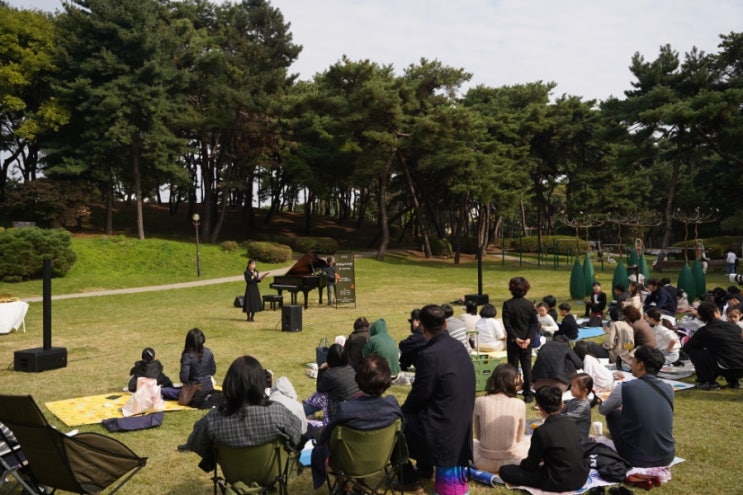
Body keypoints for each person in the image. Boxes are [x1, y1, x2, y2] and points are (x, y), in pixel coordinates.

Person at [399, 304, 475, 495]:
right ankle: (424, 467)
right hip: (462, 417)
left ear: (422, 327)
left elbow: (419, 395)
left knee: (394, 425)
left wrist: (400, 412)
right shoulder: (458, 346)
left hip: (444, 424)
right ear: (445, 323)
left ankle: (409, 478)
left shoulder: (429, 354)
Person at [185, 355, 302, 472]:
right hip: (271, 472)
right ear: (261, 383)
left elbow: (195, 444)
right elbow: (297, 437)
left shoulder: (213, 419)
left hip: (233, 473)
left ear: (229, 383)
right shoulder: (278, 413)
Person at [310, 354, 403, 489]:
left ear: (358, 378)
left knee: (322, 447)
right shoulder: (392, 406)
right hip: (380, 459)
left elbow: (326, 437)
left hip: (347, 463)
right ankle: (357, 484)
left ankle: (344, 485)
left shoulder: (346, 410)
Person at [499, 386, 589, 492]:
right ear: (561, 404)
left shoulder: (541, 431)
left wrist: (523, 464)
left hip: (558, 481)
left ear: (540, 408)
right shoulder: (572, 423)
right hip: (581, 477)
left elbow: (530, 466)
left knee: (505, 471)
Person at [598, 346, 675, 467]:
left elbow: (603, 409)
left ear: (640, 365)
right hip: (667, 456)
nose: (631, 363)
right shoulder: (669, 389)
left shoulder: (625, 387)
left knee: (613, 414)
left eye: (633, 360)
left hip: (635, 458)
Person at [472, 363, 530, 474]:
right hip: (513, 461)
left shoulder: (479, 401)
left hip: (481, 462)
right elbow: (519, 438)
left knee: (471, 443)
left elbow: (479, 437)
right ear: (512, 382)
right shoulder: (519, 404)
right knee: (529, 441)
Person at [682, 302, 743, 390]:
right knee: (728, 350)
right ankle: (733, 382)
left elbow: (687, 348)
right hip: (741, 367)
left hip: (727, 369)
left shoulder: (704, 331)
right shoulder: (734, 327)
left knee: (695, 352)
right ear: (716, 313)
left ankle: (707, 381)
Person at [502, 277, 540, 403]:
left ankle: (512, 390)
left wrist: (516, 338)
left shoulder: (507, 304)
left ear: (511, 289)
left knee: (512, 366)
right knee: (526, 366)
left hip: (514, 340)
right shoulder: (529, 305)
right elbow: (534, 323)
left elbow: (507, 324)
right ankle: (528, 393)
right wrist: (529, 338)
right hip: (526, 340)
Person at [303, 343, 360, 427]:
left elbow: (319, 388)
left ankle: (301, 411)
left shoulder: (330, 374)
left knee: (322, 396)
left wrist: (321, 369)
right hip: (355, 409)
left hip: (340, 414)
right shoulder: (350, 368)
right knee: (325, 395)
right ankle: (304, 409)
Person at [561, 373, 602, 445]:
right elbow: (561, 412)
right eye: (571, 385)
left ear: (585, 391)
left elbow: (566, 418)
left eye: (574, 386)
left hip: (579, 441)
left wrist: (553, 416)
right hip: (570, 434)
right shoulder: (573, 400)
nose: (571, 388)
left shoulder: (583, 407)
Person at [179, 327, 217, 399]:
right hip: (209, 388)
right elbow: (213, 370)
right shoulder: (208, 352)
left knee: (167, 391)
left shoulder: (188, 356)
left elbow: (184, 377)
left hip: (194, 392)